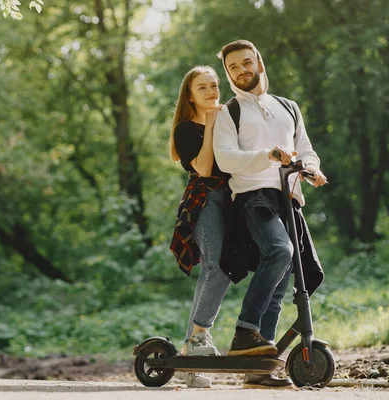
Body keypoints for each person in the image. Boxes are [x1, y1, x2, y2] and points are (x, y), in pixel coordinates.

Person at [213, 40, 327, 388]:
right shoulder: (228, 111)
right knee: (280, 251)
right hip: (253, 197)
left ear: (259, 63)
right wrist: (268, 155)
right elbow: (226, 159)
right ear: (229, 74)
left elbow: (305, 149)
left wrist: (310, 168)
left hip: (288, 198)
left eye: (247, 62)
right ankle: (245, 331)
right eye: (234, 67)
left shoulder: (288, 107)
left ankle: (257, 370)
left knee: (281, 283)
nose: (242, 70)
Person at [169, 66, 232, 388]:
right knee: (217, 268)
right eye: (202, 88)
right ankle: (198, 339)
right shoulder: (185, 129)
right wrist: (209, 126)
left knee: (215, 270)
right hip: (203, 202)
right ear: (189, 95)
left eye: (214, 86)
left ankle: (187, 360)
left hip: (233, 202)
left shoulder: (228, 122)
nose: (211, 92)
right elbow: (205, 168)